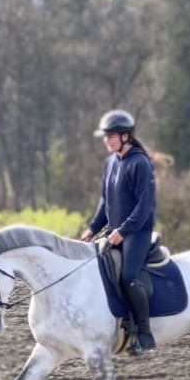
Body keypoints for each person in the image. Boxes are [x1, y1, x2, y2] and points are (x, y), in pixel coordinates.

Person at [81, 109, 157, 354]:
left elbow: (144, 207)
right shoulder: (111, 162)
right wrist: (93, 228)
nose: (107, 140)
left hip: (137, 233)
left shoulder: (140, 163)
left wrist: (123, 232)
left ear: (126, 136)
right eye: (105, 136)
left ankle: (144, 335)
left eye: (111, 136)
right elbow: (106, 203)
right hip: (115, 232)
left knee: (128, 277)